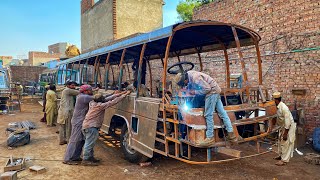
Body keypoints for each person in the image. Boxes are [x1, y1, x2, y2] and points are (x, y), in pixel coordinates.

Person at [174, 70, 240, 146]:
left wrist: (195, 92)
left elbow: (207, 89)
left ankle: (210, 138)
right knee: (222, 113)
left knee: (208, 114)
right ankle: (232, 136)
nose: (185, 85)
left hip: (212, 92)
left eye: (184, 84)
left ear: (185, 80)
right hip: (216, 90)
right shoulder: (189, 74)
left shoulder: (196, 78)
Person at [81, 91, 130, 166]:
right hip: (91, 126)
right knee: (89, 143)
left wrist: (120, 93)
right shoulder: (100, 106)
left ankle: (90, 157)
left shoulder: (92, 103)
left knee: (90, 143)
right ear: (101, 100)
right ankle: (86, 159)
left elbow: (107, 98)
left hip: (87, 125)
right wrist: (124, 95)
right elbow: (113, 102)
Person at [63, 85, 95, 165]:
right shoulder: (83, 97)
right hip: (78, 122)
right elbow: (99, 98)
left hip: (81, 121)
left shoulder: (83, 96)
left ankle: (75, 157)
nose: (91, 91)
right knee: (74, 140)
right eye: (90, 90)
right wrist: (115, 94)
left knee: (81, 140)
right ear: (85, 91)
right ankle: (67, 159)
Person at [272, 92, 296, 166]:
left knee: (286, 142)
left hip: (288, 127)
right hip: (283, 126)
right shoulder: (277, 106)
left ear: (276, 100)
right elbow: (276, 118)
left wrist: (285, 133)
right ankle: (281, 156)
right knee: (280, 141)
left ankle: (284, 160)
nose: (273, 101)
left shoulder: (284, 108)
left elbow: (288, 121)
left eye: (273, 100)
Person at [57, 80, 79, 145]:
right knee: (68, 127)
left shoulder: (66, 90)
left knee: (62, 127)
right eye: (72, 85)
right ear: (68, 85)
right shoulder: (68, 90)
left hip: (62, 111)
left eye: (74, 85)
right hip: (67, 112)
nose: (74, 86)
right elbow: (79, 92)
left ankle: (62, 140)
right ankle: (69, 141)